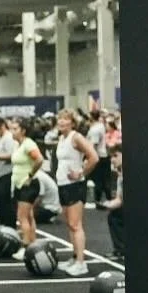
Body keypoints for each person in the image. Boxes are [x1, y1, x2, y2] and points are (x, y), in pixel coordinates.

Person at [53, 109, 99, 275]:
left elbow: (93, 157)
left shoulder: (76, 137)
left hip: (75, 186)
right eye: (59, 119)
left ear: (72, 122)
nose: (61, 122)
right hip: (63, 184)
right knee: (70, 225)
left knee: (75, 224)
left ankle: (81, 263)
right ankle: (74, 257)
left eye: (65, 119)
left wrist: (81, 173)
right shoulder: (61, 138)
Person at [9, 117, 44, 247]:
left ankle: (26, 245)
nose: (12, 131)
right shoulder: (19, 145)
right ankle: (33, 244)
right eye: (11, 128)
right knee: (28, 216)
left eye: (15, 129)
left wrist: (29, 176)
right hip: (20, 184)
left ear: (23, 131)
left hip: (28, 184)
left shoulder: (29, 144)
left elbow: (39, 160)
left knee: (22, 217)